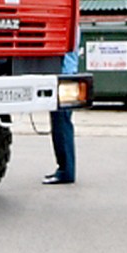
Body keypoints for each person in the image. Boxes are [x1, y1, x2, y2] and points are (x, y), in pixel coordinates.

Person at [43, 47, 79, 184]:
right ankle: (65, 169)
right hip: (67, 74)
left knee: (61, 124)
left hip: (63, 74)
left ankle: (65, 171)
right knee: (62, 122)